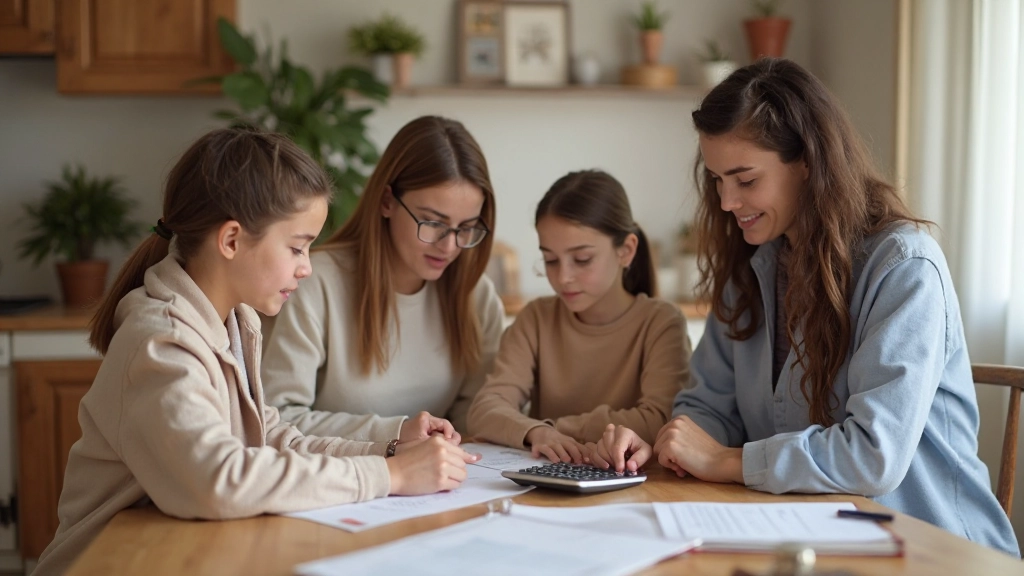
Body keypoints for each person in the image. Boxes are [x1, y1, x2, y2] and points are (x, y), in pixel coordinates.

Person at [593, 58, 1019, 556]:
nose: (728, 201)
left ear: (809, 164)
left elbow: (873, 457)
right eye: (716, 180)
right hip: (808, 540)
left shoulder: (903, 267)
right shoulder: (752, 268)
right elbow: (708, 404)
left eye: (745, 180)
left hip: (932, 549)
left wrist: (729, 462)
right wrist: (675, 446)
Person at [35, 128, 479, 575]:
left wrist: (387, 451)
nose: (307, 267)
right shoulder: (161, 342)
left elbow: (274, 438)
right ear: (231, 241)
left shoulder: (232, 322)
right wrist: (393, 477)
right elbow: (217, 482)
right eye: (296, 247)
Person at [260, 116, 505, 443]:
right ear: (388, 201)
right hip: (339, 482)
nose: (449, 246)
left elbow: (472, 415)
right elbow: (278, 416)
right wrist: (396, 435)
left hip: (438, 483)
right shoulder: (315, 283)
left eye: (466, 228)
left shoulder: (476, 296)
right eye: (433, 222)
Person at [467, 170, 690, 463]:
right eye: (550, 260)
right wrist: (539, 433)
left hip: (633, 481)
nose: (564, 277)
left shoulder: (662, 323)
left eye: (582, 259)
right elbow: (485, 409)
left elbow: (661, 419)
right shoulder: (535, 319)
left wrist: (555, 429)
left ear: (626, 250)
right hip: (549, 480)